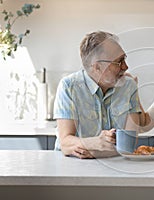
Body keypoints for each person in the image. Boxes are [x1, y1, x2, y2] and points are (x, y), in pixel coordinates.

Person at [53, 31, 141, 159]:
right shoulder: (69, 86)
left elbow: (130, 144)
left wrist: (95, 152)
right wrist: (95, 142)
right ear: (97, 67)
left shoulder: (129, 86)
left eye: (124, 59)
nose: (125, 66)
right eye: (119, 62)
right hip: (72, 166)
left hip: (115, 167)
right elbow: (65, 143)